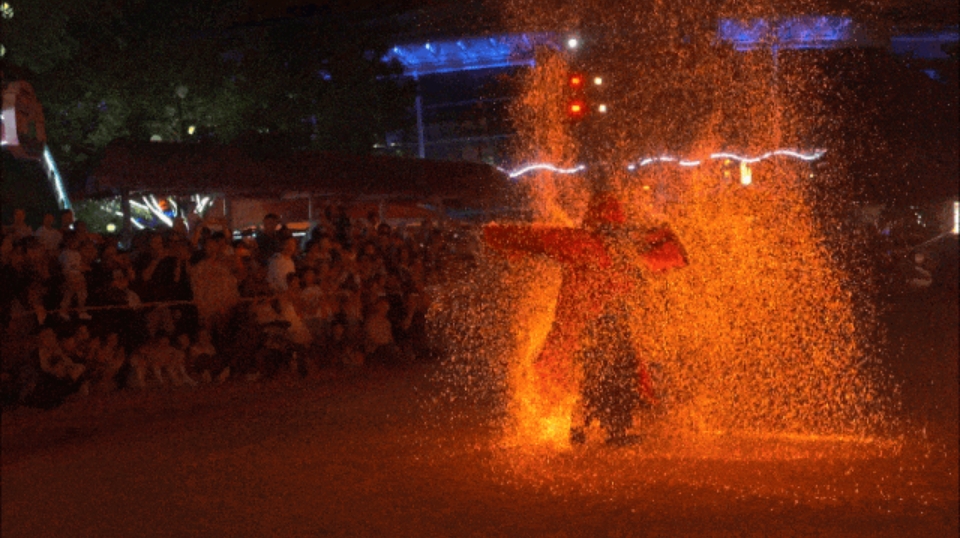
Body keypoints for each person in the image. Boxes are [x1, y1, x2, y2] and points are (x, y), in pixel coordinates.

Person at [483, 191, 688, 445]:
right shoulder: (621, 246)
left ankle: (588, 427)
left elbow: (538, 238)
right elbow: (663, 253)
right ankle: (608, 429)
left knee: (589, 373)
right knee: (609, 373)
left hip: (585, 325)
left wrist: (496, 235)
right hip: (603, 324)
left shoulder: (585, 242)